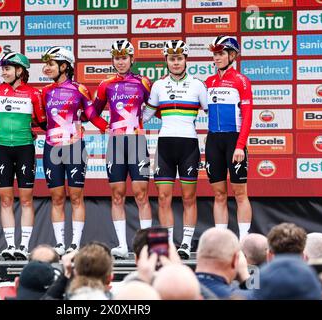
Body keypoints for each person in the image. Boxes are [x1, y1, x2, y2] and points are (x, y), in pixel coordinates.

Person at [85, 40, 153, 259]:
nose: (120, 62)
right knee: (117, 195)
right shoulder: (106, 84)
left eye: (124, 58)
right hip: (115, 143)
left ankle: (146, 246)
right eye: (117, 58)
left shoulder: (143, 82)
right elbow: (92, 113)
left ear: (132, 59)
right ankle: (123, 246)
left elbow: (156, 107)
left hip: (137, 142)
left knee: (142, 194)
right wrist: (104, 127)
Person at [143, 40, 207, 259]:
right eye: (172, 58)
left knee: (189, 198)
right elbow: (145, 115)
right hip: (165, 146)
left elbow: (213, 114)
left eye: (180, 58)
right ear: (166, 61)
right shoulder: (158, 86)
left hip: (189, 145)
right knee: (163, 197)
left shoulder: (198, 85)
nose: (176, 62)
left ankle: (186, 244)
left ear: (186, 60)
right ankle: (168, 245)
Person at [39, 47, 104, 256]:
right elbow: (40, 120)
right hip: (51, 147)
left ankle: (74, 244)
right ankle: (60, 243)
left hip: (75, 146)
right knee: (57, 197)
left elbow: (92, 114)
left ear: (64, 66)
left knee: (76, 196)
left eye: (51, 64)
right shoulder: (45, 91)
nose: (46, 68)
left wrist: (107, 127)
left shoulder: (80, 89)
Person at [0, 52, 46, 260]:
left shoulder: (34, 94)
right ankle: (10, 245)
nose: (3, 72)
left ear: (20, 71)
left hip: (25, 149)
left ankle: (23, 246)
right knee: (5, 199)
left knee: (26, 199)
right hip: (2, 148)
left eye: (7, 68)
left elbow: (43, 121)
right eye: (3, 68)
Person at [205, 36, 253, 240]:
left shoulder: (241, 81)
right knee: (219, 194)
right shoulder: (208, 82)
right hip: (213, 141)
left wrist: (240, 145)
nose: (217, 58)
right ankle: (221, 240)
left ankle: (243, 241)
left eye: (221, 53)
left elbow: (248, 116)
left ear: (232, 55)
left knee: (240, 193)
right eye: (215, 54)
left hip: (234, 141)